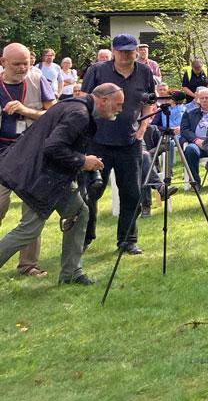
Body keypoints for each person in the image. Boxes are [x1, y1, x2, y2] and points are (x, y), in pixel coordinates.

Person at [0, 84, 126, 286]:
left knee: (79, 213)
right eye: (118, 104)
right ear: (103, 100)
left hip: (49, 175)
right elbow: (54, 147)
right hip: (40, 177)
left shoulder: (72, 106)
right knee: (28, 230)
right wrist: (83, 161)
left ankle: (71, 273)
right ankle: (71, 273)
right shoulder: (79, 114)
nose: (120, 109)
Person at [81, 34, 157, 254]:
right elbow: (85, 102)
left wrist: (142, 129)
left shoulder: (144, 72)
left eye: (130, 50)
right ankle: (85, 237)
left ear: (136, 51)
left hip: (130, 141)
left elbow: (149, 102)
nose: (126, 54)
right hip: (98, 141)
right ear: (113, 50)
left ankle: (127, 240)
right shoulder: (97, 70)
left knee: (131, 193)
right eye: (121, 50)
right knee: (92, 192)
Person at [0, 43, 57, 277]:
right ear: (3, 63)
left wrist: (28, 111)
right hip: (3, 155)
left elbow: (54, 114)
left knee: (33, 210)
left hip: (32, 154)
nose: (23, 68)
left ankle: (28, 265)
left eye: (26, 62)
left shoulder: (38, 79)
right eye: (17, 64)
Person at [180, 87, 208, 189]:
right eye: (201, 98)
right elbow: (184, 130)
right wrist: (196, 140)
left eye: (207, 98)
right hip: (198, 144)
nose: (204, 100)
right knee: (190, 149)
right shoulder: (190, 113)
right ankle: (195, 182)